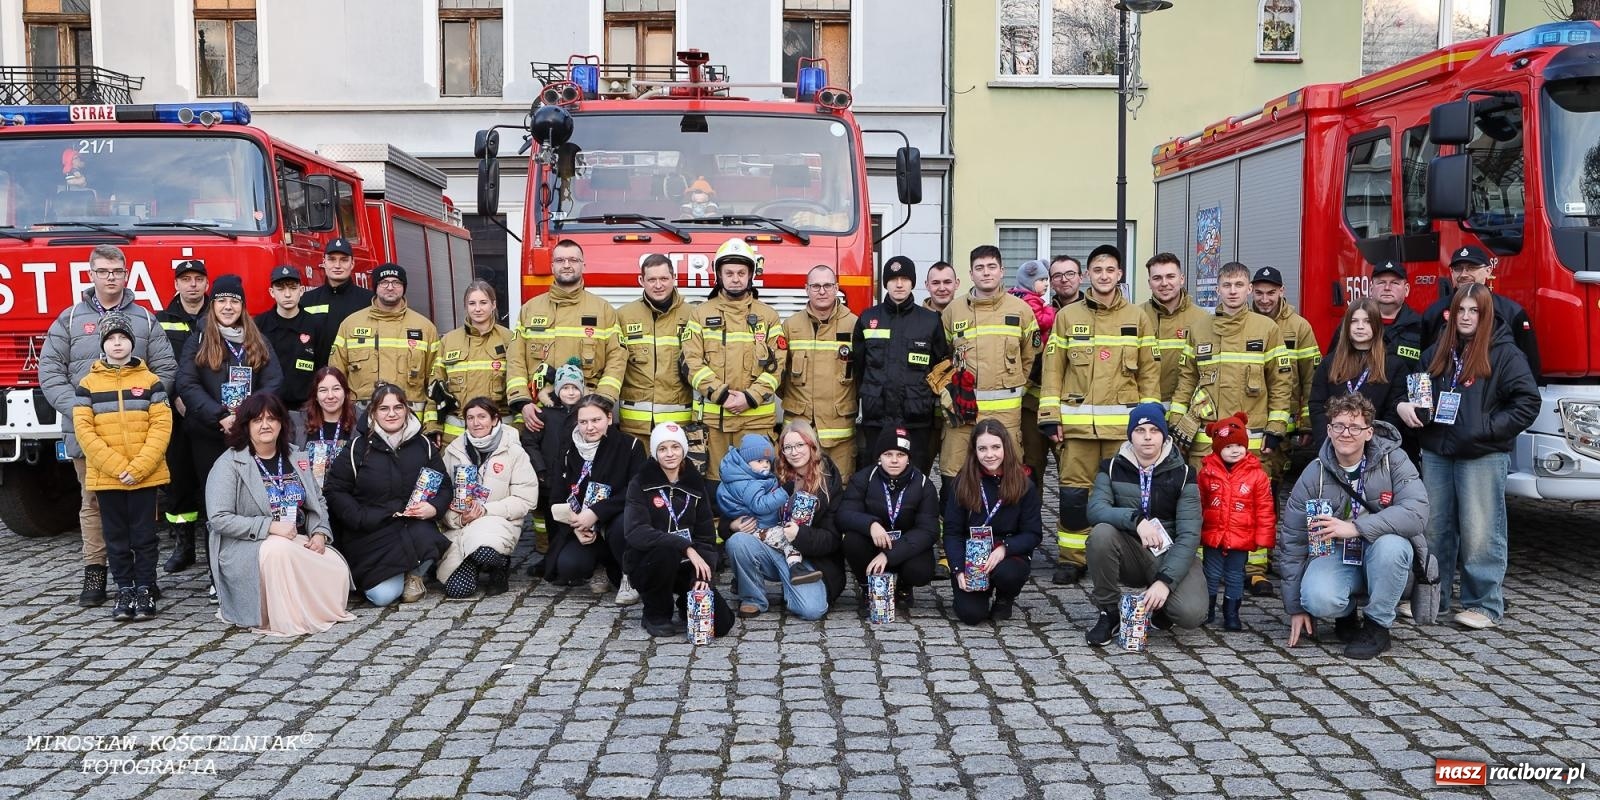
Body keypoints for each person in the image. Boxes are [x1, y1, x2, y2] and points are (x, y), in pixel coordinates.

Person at [42, 245, 178, 607]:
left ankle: (143, 580)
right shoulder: (69, 320)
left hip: (138, 431)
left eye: (117, 271)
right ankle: (96, 571)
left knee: (141, 507)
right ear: (91, 274)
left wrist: (149, 406)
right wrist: (84, 411)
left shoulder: (145, 320)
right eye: (103, 271)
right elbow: (50, 371)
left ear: (126, 273)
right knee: (93, 503)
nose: (111, 277)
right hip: (89, 434)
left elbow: (165, 368)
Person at [1399, 283, 1539, 630]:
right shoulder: (1436, 351)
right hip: (1437, 452)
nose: (1466, 317)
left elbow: (1528, 402)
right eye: (1461, 310)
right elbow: (1417, 389)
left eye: (1474, 311)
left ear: (1486, 314)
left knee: (1480, 532)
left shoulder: (1504, 353)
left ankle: (1484, 604)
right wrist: (1410, 408)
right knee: (1433, 530)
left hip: (1481, 454)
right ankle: (1433, 598)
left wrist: (1487, 428)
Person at [1169, 261, 1291, 597]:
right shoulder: (1199, 329)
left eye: (1239, 285)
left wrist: (1277, 426)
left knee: (1250, 503)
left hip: (1250, 439)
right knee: (1202, 500)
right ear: (1217, 289)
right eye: (1227, 285)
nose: (1233, 291)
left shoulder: (1266, 329)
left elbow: (1281, 382)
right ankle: (1198, 567)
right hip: (1206, 438)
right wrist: (1176, 424)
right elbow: (1186, 380)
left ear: (1249, 289)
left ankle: (1253, 570)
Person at [1039, 243, 1158, 586]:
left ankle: (1122, 556)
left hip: (1124, 432)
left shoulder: (1138, 318)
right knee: (1074, 494)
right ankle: (1071, 558)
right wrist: (1049, 415)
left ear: (1120, 275)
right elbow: (1052, 370)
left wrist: (1149, 422)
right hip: (1077, 431)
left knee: (1125, 495)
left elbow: (1149, 373)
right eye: (1098, 270)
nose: (1104, 276)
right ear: (1087, 275)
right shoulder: (1067, 316)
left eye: (1110, 270)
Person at [1279, 393, 1430, 659]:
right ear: (1329, 430)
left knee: (1393, 547)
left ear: (1369, 432)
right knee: (1316, 598)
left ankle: (1377, 627)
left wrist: (1357, 527)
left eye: (1355, 427)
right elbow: (1293, 541)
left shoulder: (1394, 461)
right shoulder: (1314, 473)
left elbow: (1416, 512)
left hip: (1382, 552)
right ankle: (1345, 615)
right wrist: (1296, 608)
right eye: (1338, 426)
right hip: (1337, 553)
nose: (1346, 433)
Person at [206, 392, 355, 636]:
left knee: (335, 566)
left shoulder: (296, 457)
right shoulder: (229, 464)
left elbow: (316, 501)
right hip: (247, 546)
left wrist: (319, 533)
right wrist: (269, 527)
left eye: (272, 419)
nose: (265, 425)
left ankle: (308, 608)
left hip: (293, 537)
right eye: (257, 420)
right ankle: (285, 617)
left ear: (281, 423)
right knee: (278, 550)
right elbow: (219, 519)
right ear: (246, 426)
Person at [73, 312, 173, 621]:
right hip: (108, 478)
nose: (118, 344)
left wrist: (141, 466)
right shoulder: (87, 385)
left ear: (132, 343)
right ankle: (125, 589)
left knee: (144, 537)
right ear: (103, 345)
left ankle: (145, 588)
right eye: (111, 339)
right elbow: (85, 432)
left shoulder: (150, 382)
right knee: (115, 537)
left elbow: (161, 426)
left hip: (144, 476)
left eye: (123, 338)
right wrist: (117, 467)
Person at [1084, 403, 1208, 646]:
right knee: (1101, 534)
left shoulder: (1183, 474)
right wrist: (1136, 520)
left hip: (1169, 552)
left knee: (1191, 614)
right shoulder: (1111, 467)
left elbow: (1189, 534)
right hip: (1131, 549)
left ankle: (1160, 607)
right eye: (1140, 431)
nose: (1148, 437)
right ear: (1131, 435)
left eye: (1154, 430)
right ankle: (1109, 612)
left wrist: (1164, 583)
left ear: (1164, 434)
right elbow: (1096, 510)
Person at [323, 384, 453, 606]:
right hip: (371, 532)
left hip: (413, 527)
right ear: (373, 412)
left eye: (397, 407)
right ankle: (397, 574)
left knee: (427, 539)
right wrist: (358, 517)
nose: (392, 414)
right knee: (382, 596)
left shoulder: (424, 446)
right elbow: (335, 489)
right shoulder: (357, 448)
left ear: (406, 410)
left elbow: (444, 486)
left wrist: (433, 508)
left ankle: (415, 573)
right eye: (384, 408)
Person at [681, 238, 782, 485]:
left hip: (755, 423)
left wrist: (749, 397)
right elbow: (690, 363)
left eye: (741, 273)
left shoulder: (768, 317)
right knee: (715, 487)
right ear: (719, 275)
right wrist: (723, 396)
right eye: (729, 273)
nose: (735, 278)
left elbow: (777, 366)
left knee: (758, 485)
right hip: (715, 426)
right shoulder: (700, 314)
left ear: (750, 276)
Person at [938, 245, 1040, 492]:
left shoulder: (1021, 310)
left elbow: (1033, 359)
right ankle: (956, 529)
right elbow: (942, 358)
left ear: (1002, 271)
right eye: (980, 268)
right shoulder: (954, 311)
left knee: (1007, 478)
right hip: (962, 414)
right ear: (971, 274)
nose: (986, 273)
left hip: (1007, 416)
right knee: (954, 475)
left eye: (992, 267)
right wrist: (948, 393)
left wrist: (1018, 388)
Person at [177, 274, 284, 507]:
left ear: (242, 307)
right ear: (212, 305)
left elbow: (273, 381)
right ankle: (215, 544)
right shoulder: (198, 340)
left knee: (251, 498)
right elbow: (187, 383)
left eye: (234, 301)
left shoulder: (258, 340)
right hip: (209, 434)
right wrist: (221, 416)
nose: (228, 307)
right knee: (214, 498)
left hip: (250, 433)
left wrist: (247, 416)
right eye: (221, 301)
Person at [723, 420, 846, 620]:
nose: (794, 452)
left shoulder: (828, 480)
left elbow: (832, 539)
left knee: (811, 610)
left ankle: (793, 587)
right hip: (772, 549)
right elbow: (739, 504)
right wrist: (731, 524)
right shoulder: (770, 473)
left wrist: (800, 535)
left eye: (800, 445)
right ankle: (752, 598)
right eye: (788, 447)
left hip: (810, 560)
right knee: (737, 541)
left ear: (811, 446)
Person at [623, 421, 736, 638]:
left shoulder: (694, 485)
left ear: (683, 450)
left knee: (722, 624)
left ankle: (686, 603)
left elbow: (705, 538)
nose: (669, 454)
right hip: (650, 561)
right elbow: (636, 532)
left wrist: (702, 577)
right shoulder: (640, 483)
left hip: (687, 564)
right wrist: (685, 547)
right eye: (662, 448)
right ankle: (655, 613)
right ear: (655, 453)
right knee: (665, 553)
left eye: (675, 447)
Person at [508, 239, 626, 438]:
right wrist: (523, 402)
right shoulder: (530, 308)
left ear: (583, 265)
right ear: (552, 265)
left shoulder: (603, 309)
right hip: (538, 414)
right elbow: (515, 359)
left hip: (586, 414)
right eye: (560, 260)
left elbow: (617, 358)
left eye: (573, 260)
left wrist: (602, 402)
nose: (567, 265)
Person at [943, 420, 1041, 625]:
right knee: (970, 615)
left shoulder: (1024, 484)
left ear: (1005, 446)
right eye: (983, 448)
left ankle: (1005, 598)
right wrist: (959, 569)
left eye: (996, 447)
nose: (990, 455)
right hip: (972, 555)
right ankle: (980, 591)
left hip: (1006, 551)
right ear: (974, 451)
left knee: (1009, 574)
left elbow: (1033, 533)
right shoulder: (961, 483)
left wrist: (1005, 549)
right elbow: (952, 532)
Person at [855, 255, 947, 475]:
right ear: (885, 282)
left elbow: (940, 367)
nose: (899, 284)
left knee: (915, 477)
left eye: (905, 278)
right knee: (875, 476)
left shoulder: (930, 320)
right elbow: (859, 367)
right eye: (893, 279)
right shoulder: (868, 318)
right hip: (876, 418)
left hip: (915, 419)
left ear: (913, 282)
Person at [439, 398, 539, 599]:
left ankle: (499, 566)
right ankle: (472, 563)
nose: (476, 423)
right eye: (470, 418)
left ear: (495, 419)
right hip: (461, 526)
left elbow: (526, 499)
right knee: (458, 590)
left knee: (484, 550)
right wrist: (458, 518)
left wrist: (486, 510)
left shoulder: (514, 451)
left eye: (482, 417)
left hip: (498, 521)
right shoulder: (452, 452)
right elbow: (442, 496)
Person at [546, 394, 644, 597]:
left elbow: (635, 491)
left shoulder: (630, 446)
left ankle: (628, 575)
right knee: (569, 566)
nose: (590, 427)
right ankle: (600, 567)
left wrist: (596, 512)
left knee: (624, 523)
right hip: (583, 523)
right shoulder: (567, 450)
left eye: (596, 420)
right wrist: (575, 525)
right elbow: (556, 496)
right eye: (583, 422)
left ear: (609, 418)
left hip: (616, 520)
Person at [329, 263, 441, 436]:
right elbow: (335, 378)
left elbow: (435, 383)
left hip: (410, 425)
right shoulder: (350, 325)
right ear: (375, 287)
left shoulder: (425, 328)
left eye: (396, 282)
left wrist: (432, 424)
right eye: (384, 282)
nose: (390, 287)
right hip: (361, 424)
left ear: (404, 287)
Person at [838, 427, 940, 617]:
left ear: (908, 457)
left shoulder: (924, 484)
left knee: (921, 569)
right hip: (873, 544)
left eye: (900, 454)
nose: (894, 460)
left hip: (906, 547)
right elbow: (844, 514)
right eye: (888, 454)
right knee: (852, 540)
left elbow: (929, 530)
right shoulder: (863, 478)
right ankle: (867, 588)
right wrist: (871, 524)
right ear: (879, 457)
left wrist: (890, 554)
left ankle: (903, 587)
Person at [154, 258, 209, 574]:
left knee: (212, 477)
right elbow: (158, 363)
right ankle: (184, 544)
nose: (192, 284)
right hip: (174, 412)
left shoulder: (220, 315)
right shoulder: (161, 321)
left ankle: (216, 542)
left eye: (198, 279)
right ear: (176, 285)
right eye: (185, 279)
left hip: (211, 411)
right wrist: (175, 395)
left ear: (205, 283)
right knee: (178, 479)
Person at [1197, 412, 1275, 631]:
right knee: (1210, 574)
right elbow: (1199, 505)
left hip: (1241, 537)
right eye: (1228, 446)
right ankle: (1208, 609)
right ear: (1217, 448)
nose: (1235, 450)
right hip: (1214, 535)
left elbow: (1265, 508)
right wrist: (1196, 532)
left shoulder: (1257, 475)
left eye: (1239, 445)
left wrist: (1264, 537)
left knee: (1235, 575)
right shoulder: (1207, 473)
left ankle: (1232, 613)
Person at [718, 433, 823, 592]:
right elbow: (760, 505)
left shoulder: (752, 477)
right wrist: (784, 492)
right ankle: (796, 568)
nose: (765, 465)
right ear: (746, 463)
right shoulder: (750, 483)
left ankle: (743, 579)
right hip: (761, 527)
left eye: (767, 461)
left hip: (765, 525)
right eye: (759, 461)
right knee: (788, 541)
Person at [780, 265, 859, 475]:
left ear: (837, 288)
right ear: (806, 289)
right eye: (816, 286)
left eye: (827, 285)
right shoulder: (790, 326)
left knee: (839, 488)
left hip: (840, 432)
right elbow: (778, 375)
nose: (822, 291)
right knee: (798, 486)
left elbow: (863, 374)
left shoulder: (854, 325)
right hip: (799, 429)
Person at [1422, 245, 1539, 378]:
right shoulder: (1433, 313)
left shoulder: (1511, 312)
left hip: (1494, 393)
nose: (1464, 274)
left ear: (1488, 271)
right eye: (1458, 269)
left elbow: (1529, 370)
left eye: (1471, 268)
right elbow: (1425, 363)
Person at [1251, 266, 1320, 484]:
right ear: (1251, 291)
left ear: (1282, 291)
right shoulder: (1244, 323)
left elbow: (1311, 377)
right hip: (1250, 418)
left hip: (1284, 424)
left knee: (1274, 480)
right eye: (1259, 293)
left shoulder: (1299, 327)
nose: (1264, 299)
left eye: (1271, 293)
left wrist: (1308, 423)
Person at [1309, 299, 1408, 452]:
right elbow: (1317, 405)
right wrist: (1327, 444)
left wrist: (1375, 447)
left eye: (1367, 321)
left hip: (1376, 449)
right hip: (1334, 446)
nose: (1360, 327)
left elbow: (1392, 413)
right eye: (1354, 321)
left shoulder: (1394, 365)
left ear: (1376, 325)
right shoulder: (1329, 363)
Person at [617, 253, 695, 445]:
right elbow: (614, 364)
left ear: (674, 278)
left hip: (678, 425)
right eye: (651, 279)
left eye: (664, 279)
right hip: (634, 427)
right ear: (641, 280)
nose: (658, 285)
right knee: (636, 475)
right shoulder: (623, 316)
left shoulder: (693, 316)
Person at [522, 361, 586, 579]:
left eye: (575, 388)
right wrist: (539, 469)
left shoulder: (585, 415)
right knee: (552, 523)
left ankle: (569, 560)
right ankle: (552, 558)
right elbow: (529, 442)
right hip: (550, 479)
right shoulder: (545, 414)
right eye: (566, 387)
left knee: (573, 523)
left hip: (577, 481)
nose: (570, 392)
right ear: (558, 389)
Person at [431, 280, 516, 443]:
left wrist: (519, 428)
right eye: (472, 303)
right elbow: (434, 387)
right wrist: (432, 427)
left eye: (483, 302)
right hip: (454, 437)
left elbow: (520, 386)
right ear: (466, 306)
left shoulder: (509, 339)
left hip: (500, 436)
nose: (477, 309)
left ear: (493, 305)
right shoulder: (449, 341)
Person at [1142, 253, 1213, 407]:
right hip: (1146, 408)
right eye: (1157, 278)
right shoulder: (1137, 317)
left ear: (1182, 279)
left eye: (1170, 276)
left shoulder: (1203, 319)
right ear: (1149, 283)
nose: (1164, 283)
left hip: (1189, 410)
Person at [1011, 258, 1057, 489]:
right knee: (1032, 461)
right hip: (1034, 387)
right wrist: (1053, 311)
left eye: (1047, 279)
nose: (1046, 284)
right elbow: (1041, 320)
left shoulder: (1017, 298)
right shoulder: (1032, 302)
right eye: (1042, 280)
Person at [254, 265, 324, 409]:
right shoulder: (258, 325)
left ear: (301, 290)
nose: (287, 294)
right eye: (280, 289)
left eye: (292, 288)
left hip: (305, 407)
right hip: (267, 406)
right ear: (272, 292)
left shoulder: (316, 325)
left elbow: (323, 367)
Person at [301, 238, 374, 366]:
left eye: (344, 260)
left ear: (352, 264)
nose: (337, 265)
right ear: (324, 263)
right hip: (317, 378)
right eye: (332, 259)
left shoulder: (369, 300)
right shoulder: (307, 300)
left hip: (356, 379)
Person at [291, 366, 357, 490]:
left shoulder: (359, 424)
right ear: (315, 395)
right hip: (310, 498)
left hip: (349, 496)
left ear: (345, 392)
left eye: (336, 389)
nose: (330, 396)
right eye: (323, 390)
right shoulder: (298, 423)